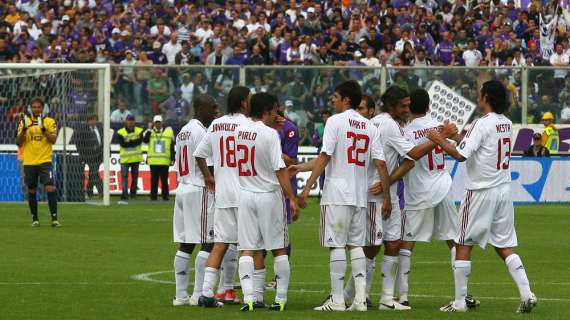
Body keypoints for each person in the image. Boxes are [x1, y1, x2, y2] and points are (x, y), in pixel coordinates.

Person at [427, 80, 537, 313]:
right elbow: (477, 147)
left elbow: (460, 156)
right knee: (505, 244)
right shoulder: (506, 123)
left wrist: (438, 140)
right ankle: (527, 294)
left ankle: (459, 303)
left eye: (480, 94)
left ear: (486, 96)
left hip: (480, 191)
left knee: (462, 243)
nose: (478, 98)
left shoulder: (481, 123)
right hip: (503, 192)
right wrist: (457, 138)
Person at [293, 81, 391, 312]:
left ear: (346, 99)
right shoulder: (369, 127)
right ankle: (359, 300)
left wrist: (307, 186)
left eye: (335, 96)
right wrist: (387, 196)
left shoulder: (335, 122)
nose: (332, 100)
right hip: (360, 195)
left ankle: (337, 300)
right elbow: (381, 164)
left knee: (336, 245)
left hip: (337, 192)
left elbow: (325, 156)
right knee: (355, 244)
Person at [398, 89, 479, 308]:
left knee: (407, 241)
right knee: (453, 241)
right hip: (442, 186)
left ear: (408, 106)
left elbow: (409, 159)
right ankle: (462, 294)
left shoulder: (406, 131)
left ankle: (402, 296)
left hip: (418, 192)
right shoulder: (439, 126)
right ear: (429, 106)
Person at [234, 92, 299, 311]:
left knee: (247, 249)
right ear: (265, 111)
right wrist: (292, 198)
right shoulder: (270, 134)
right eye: (274, 111)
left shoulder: (239, 131)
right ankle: (280, 300)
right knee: (279, 248)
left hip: (245, 194)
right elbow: (280, 171)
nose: (276, 115)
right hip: (268, 195)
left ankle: (251, 298)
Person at [193, 86, 252, 307]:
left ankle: (207, 293)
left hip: (223, 193)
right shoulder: (249, 125)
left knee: (220, 244)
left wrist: (208, 177)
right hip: (246, 191)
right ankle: (250, 296)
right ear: (245, 103)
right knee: (249, 245)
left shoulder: (217, 124)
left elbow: (199, 154)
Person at [172, 94, 219, 307]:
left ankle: (180, 295)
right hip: (199, 188)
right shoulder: (201, 131)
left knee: (186, 244)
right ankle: (198, 294)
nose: (216, 111)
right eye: (213, 107)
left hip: (182, 188)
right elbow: (206, 163)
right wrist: (215, 179)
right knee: (208, 242)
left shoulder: (183, 131)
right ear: (200, 108)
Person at [16, 97, 60, 227]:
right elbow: (19, 142)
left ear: (43, 108)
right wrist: (24, 130)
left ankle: (54, 219)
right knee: (32, 190)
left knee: (50, 187)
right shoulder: (24, 121)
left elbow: (53, 140)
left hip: (45, 161)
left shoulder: (50, 121)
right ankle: (35, 219)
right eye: (34, 107)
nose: (36, 109)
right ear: (30, 108)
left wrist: (43, 130)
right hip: (29, 162)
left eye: (38, 107)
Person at [143, 115, 175, 201]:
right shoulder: (150, 132)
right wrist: (149, 129)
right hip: (153, 161)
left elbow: (172, 146)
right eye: (156, 123)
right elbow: (145, 140)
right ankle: (153, 197)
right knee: (154, 180)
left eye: (159, 122)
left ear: (162, 123)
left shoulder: (168, 132)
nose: (157, 124)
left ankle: (165, 196)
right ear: (153, 123)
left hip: (164, 161)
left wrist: (172, 158)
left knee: (164, 180)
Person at [74, 114, 104, 199]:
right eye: (91, 120)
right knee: (94, 173)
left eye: (95, 119)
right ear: (88, 121)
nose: (93, 121)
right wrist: (83, 155)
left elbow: (104, 140)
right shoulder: (83, 129)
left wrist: (107, 151)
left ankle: (89, 192)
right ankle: (102, 191)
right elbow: (78, 143)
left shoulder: (100, 127)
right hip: (88, 155)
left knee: (92, 174)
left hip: (99, 155)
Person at [116, 114, 144, 202]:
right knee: (124, 177)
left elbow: (139, 142)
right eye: (129, 120)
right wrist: (133, 141)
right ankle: (124, 194)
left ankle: (133, 194)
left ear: (134, 121)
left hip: (135, 159)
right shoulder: (120, 132)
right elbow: (123, 144)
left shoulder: (139, 131)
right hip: (125, 159)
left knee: (134, 178)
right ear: (126, 121)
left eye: (132, 120)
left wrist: (129, 141)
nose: (130, 122)